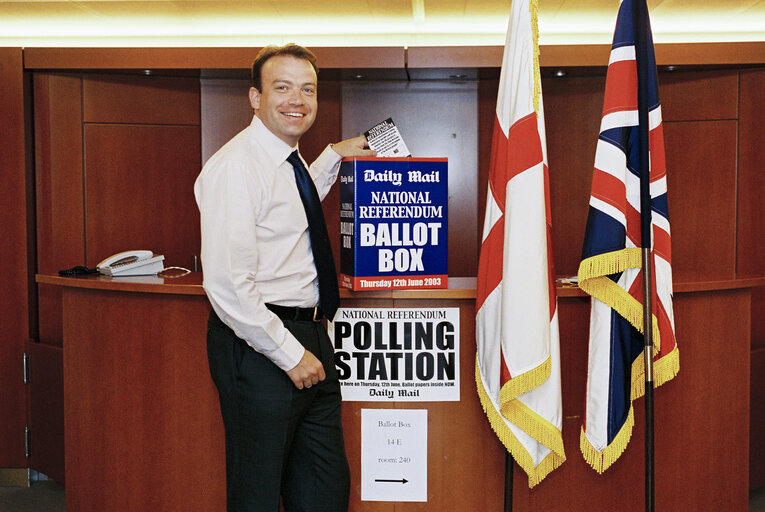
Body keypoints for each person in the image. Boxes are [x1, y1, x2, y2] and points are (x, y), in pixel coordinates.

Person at [194, 43, 375, 512]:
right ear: (255, 98)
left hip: (309, 336)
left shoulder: (287, 163)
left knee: (322, 487)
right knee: (257, 491)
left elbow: (293, 206)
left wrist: (334, 154)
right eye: (282, 87)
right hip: (262, 346)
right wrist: (290, 354)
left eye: (308, 89)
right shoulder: (236, 167)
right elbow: (228, 285)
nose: (297, 99)